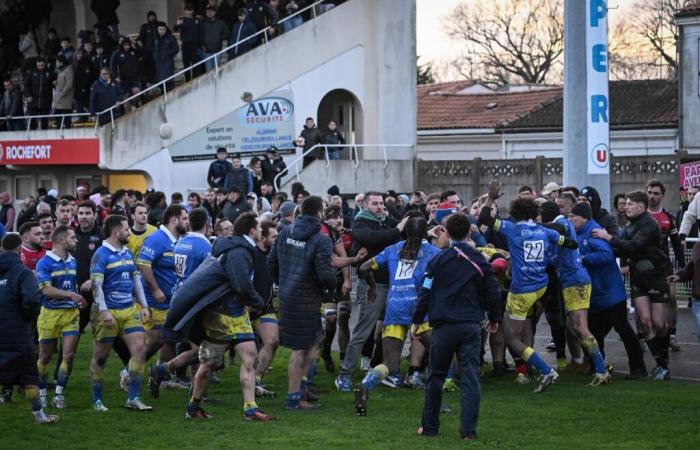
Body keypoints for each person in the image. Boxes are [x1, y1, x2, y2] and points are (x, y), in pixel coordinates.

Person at [479, 181, 578, 393]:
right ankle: (527, 369)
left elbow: (484, 218)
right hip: (541, 286)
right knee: (525, 327)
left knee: (510, 337)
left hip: (521, 290)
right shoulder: (543, 231)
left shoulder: (511, 228)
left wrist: (491, 198)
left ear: (514, 212)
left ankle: (545, 370)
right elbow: (569, 242)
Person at [410, 213, 501, 440]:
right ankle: (468, 432)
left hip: (443, 326)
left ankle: (429, 427)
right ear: (469, 232)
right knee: (471, 376)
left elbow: (426, 292)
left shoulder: (438, 260)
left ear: (446, 233)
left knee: (436, 376)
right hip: (471, 325)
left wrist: (417, 320)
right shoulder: (480, 259)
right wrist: (495, 318)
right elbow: (493, 290)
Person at [187, 212, 274, 421]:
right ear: (252, 230)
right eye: (259, 229)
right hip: (221, 316)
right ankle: (193, 406)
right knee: (208, 364)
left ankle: (250, 409)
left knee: (249, 357)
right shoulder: (238, 252)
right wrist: (257, 302)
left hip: (237, 313)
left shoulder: (241, 249)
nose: (261, 232)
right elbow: (241, 284)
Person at [354, 217, 440, 404]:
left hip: (395, 307)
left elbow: (364, 267)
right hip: (421, 310)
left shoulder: (393, 250)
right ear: (426, 231)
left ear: (404, 231)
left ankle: (366, 384)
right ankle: (438, 402)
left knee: (390, 363)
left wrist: (372, 287)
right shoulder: (434, 252)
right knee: (439, 353)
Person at [592, 191, 674, 381]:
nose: (626, 206)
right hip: (638, 278)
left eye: (630, 204)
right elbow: (621, 247)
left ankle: (664, 357)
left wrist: (607, 237)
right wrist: (600, 248)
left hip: (656, 277)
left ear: (641, 206)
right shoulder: (630, 224)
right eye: (626, 204)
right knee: (645, 321)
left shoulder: (648, 225)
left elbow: (632, 246)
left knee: (660, 324)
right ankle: (661, 367)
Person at [268, 196, 337, 410]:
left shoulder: (285, 232)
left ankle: (302, 386)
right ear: (319, 213)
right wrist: (332, 283)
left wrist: (284, 282)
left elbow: (271, 262)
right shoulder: (321, 239)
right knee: (299, 349)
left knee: (316, 339)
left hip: (290, 296)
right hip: (306, 298)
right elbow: (325, 272)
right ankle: (292, 399)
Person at [335, 192, 407, 392]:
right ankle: (344, 375)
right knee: (363, 331)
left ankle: (383, 371)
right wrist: (398, 229)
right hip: (372, 285)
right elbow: (376, 239)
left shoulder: (385, 220)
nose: (379, 207)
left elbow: (404, 228)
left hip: (392, 283)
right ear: (364, 205)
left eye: (381, 203)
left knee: (391, 330)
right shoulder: (360, 222)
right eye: (375, 203)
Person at [570, 203, 647, 379]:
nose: (570, 219)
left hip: (611, 293)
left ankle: (638, 368)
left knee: (623, 330)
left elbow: (607, 255)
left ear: (584, 217)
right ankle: (599, 366)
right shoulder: (579, 232)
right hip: (596, 294)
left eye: (573, 216)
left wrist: (583, 259)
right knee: (594, 332)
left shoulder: (593, 231)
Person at [89, 215, 152, 411]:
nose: (129, 232)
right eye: (126, 230)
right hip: (107, 313)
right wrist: (104, 311)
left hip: (128, 310)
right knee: (100, 357)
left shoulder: (126, 252)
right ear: (116, 233)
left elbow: (136, 282)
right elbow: (96, 286)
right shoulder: (101, 254)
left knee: (140, 349)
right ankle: (97, 400)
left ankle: (133, 398)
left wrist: (144, 305)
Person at [148, 207, 211, 398]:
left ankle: (194, 389)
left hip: (179, 295)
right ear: (207, 225)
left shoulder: (182, 242)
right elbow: (209, 275)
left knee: (197, 347)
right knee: (202, 349)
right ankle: (169, 374)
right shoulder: (205, 247)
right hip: (195, 300)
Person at [0, 234, 58, 424]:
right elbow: (33, 300)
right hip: (17, 332)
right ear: (19, 249)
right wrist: (29, 316)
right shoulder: (23, 272)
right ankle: (39, 415)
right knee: (28, 375)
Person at [35, 226, 87, 410]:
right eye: (73, 238)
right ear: (61, 241)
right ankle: (41, 395)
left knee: (69, 355)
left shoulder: (72, 261)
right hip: (50, 314)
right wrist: (70, 295)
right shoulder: (44, 263)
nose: (76, 240)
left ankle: (58, 394)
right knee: (45, 356)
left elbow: (71, 285)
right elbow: (46, 290)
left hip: (70, 314)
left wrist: (78, 298)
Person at [137, 205, 188, 366]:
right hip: (156, 301)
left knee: (170, 339)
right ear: (174, 220)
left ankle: (162, 375)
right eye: (185, 218)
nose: (188, 222)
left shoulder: (177, 240)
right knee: (156, 339)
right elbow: (143, 263)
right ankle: (129, 372)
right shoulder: (157, 238)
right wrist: (155, 288)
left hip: (171, 301)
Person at [645, 179, 685, 352]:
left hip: (664, 268)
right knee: (644, 302)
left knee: (672, 299)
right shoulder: (640, 215)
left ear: (662, 196)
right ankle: (644, 336)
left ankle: (672, 335)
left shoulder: (668, 217)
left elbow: (676, 244)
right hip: (644, 267)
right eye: (650, 192)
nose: (652, 196)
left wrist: (683, 267)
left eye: (656, 193)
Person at [250, 220, 280, 397]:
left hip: (264, 308)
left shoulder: (273, 256)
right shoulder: (250, 254)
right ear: (263, 237)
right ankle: (167, 369)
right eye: (274, 237)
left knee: (272, 340)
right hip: (244, 308)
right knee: (216, 353)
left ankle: (256, 380)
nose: (277, 240)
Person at [24, 58, 54, 130]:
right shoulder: (31, 73)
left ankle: (44, 135)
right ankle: (33, 134)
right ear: (36, 65)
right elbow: (26, 85)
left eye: (42, 65)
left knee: (44, 121)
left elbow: (54, 84)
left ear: (45, 64)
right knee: (32, 120)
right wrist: (28, 95)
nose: (40, 67)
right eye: (39, 65)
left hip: (45, 101)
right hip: (33, 101)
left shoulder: (49, 73)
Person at [175, 4, 202, 82]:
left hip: (195, 45)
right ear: (184, 11)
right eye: (187, 10)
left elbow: (200, 32)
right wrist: (177, 24)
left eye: (190, 11)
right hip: (185, 45)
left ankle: (194, 81)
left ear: (192, 11)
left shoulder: (196, 20)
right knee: (186, 65)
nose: (188, 12)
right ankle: (187, 82)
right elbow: (175, 29)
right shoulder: (181, 20)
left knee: (195, 65)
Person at [199, 5, 229, 72]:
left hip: (217, 51)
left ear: (214, 12)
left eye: (211, 11)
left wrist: (219, 37)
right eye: (208, 11)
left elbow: (227, 33)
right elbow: (200, 36)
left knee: (216, 70)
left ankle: (216, 82)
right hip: (206, 52)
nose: (209, 13)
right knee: (208, 71)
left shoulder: (221, 23)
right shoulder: (203, 24)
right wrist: (202, 46)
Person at [138, 11, 164, 85]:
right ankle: (152, 81)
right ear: (148, 17)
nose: (152, 17)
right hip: (149, 51)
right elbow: (141, 37)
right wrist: (139, 41)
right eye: (150, 16)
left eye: (153, 16)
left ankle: (159, 82)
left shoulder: (159, 25)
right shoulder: (145, 26)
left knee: (158, 67)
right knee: (150, 67)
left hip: (159, 50)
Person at [73, 49, 98, 117]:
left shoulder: (85, 63)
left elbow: (86, 77)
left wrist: (84, 87)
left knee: (85, 103)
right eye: (77, 54)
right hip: (79, 88)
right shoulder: (77, 64)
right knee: (80, 103)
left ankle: (90, 117)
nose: (79, 55)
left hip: (84, 88)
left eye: (80, 54)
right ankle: (84, 117)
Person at [153, 24, 179, 89]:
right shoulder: (155, 38)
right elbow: (153, 50)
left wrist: (167, 54)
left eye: (163, 29)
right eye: (160, 29)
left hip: (167, 63)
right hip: (158, 63)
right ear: (157, 30)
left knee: (168, 81)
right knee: (160, 83)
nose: (162, 31)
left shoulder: (171, 38)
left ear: (166, 29)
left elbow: (176, 49)